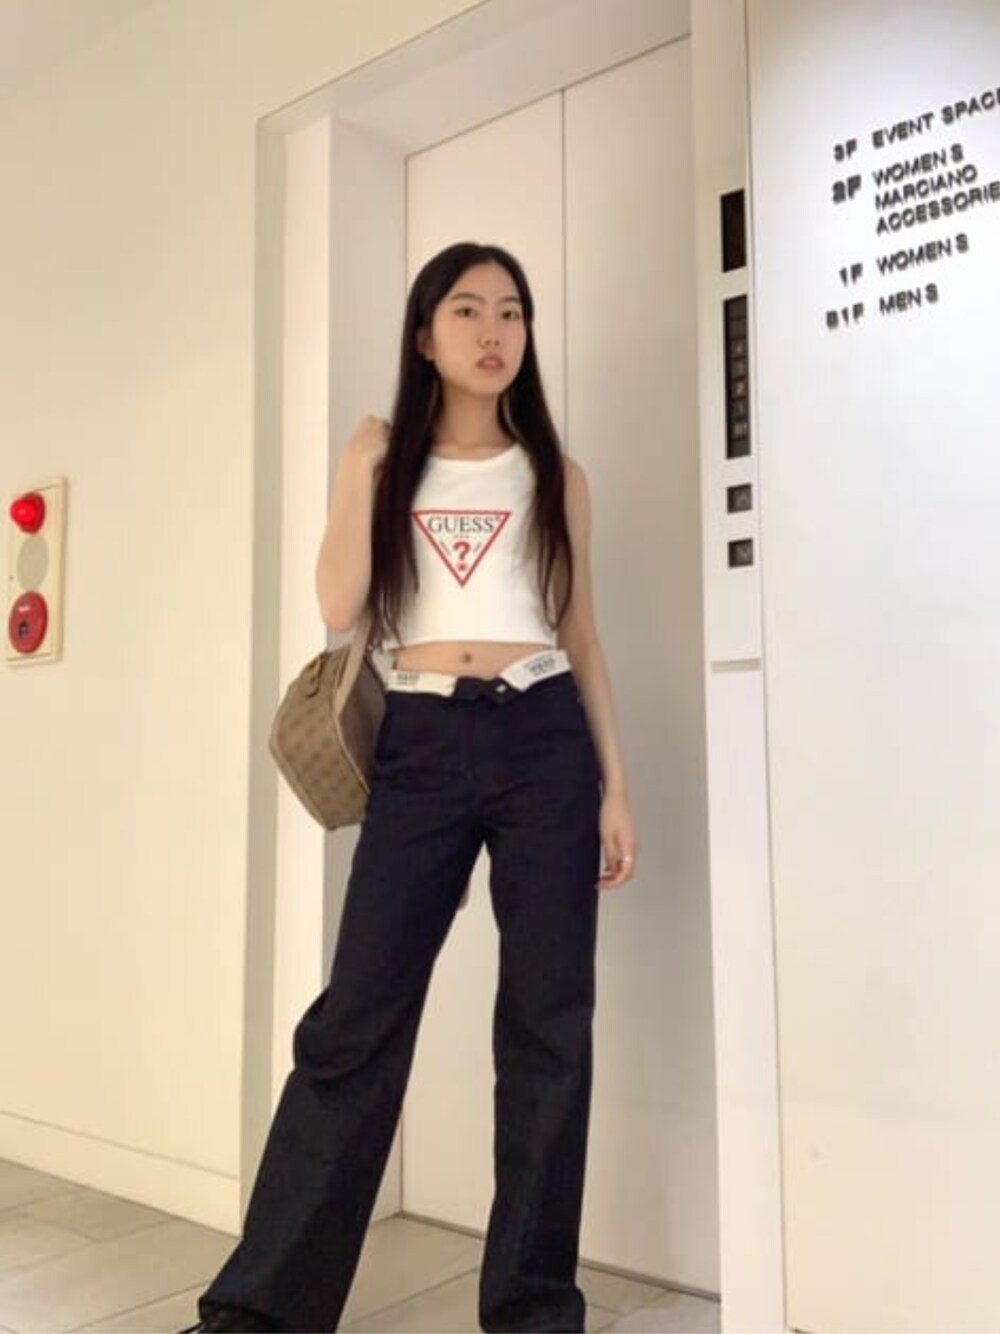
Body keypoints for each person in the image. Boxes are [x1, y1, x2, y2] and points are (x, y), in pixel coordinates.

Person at [187, 241, 637, 1334]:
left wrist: (615, 787)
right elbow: (340, 603)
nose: (494, 331)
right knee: (355, 1018)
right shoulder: (386, 462)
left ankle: (534, 1308)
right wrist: (357, 469)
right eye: (467, 309)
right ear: (425, 334)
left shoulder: (556, 475)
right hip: (421, 742)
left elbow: (579, 633)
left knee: (549, 1024)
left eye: (512, 312)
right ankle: (260, 1312)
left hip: (544, 739)